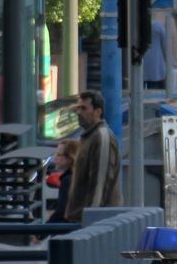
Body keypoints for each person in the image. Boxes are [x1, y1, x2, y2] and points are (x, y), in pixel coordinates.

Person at [66, 91, 122, 222]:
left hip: (95, 224)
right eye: (77, 108)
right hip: (83, 221)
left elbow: (100, 183)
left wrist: (91, 220)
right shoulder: (89, 136)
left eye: (84, 108)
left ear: (98, 111)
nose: (79, 112)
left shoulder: (101, 137)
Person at [47, 140, 80, 224]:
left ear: (69, 158)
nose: (55, 157)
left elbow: (62, 212)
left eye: (58, 155)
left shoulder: (67, 180)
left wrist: (41, 233)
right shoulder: (79, 176)